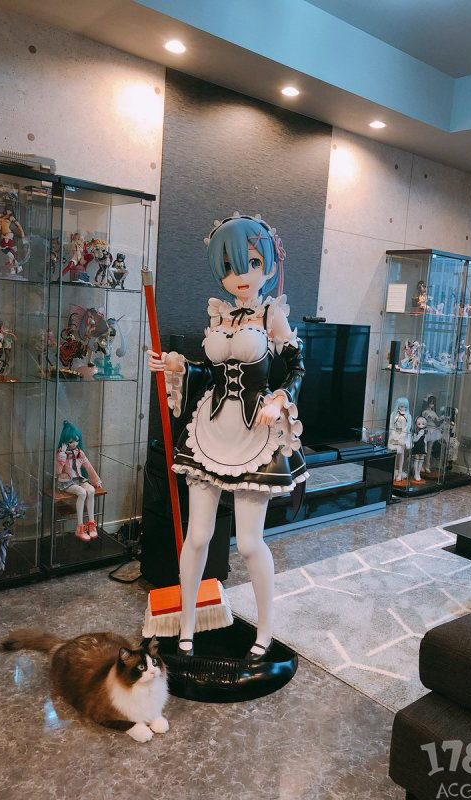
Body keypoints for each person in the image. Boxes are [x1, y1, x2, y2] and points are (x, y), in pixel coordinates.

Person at [147, 213, 307, 660]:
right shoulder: (219, 315)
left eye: (252, 263)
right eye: (232, 266)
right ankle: (186, 626)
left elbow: (297, 366)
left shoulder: (272, 314)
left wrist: (280, 398)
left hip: (256, 434)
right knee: (197, 536)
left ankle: (266, 631)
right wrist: (180, 366)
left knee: (251, 543)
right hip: (211, 431)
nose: (242, 275)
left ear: (268, 265)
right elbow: (210, 373)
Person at [55, 421, 102, 542]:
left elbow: (88, 466)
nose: (74, 444)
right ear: (65, 441)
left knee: (91, 490)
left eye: (76, 440)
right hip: (66, 481)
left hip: (79, 479)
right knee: (82, 493)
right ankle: (80, 527)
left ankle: (91, 524)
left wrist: (96, 480)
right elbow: (57, 472)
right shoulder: (61, 454)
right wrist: (62, 456)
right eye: (71, 441)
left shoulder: (79, 453)